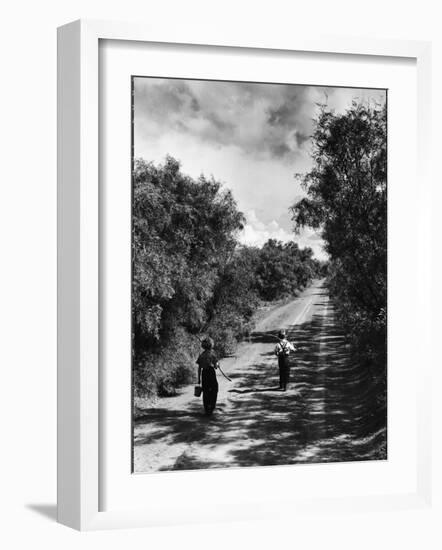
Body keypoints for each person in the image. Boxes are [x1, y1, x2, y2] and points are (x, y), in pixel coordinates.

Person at [196, 337, 219, 415]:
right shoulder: (213, 354)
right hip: (211, 373)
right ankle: (212, 406)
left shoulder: (201, 355)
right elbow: (215, 366)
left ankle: (206, 408)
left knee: (205, 391)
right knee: (214, 389)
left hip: (204, 374)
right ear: (211, 345)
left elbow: (199, 368)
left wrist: (198, 379)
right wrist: (218, 364)